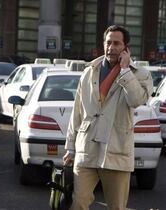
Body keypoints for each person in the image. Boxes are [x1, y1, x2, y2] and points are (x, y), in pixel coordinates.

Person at [63, 25, 153, 210]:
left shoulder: (141, 75)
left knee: (116, 207)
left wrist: (125, 71)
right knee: (78, 202)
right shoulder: (90, 71)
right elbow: (77, 112)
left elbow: (136, 100)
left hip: (116, 150)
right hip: (86, 148)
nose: (111, 47)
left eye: (117, 43)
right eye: (108, 42)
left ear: (126, 48)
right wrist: (70, 148)